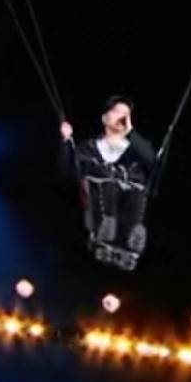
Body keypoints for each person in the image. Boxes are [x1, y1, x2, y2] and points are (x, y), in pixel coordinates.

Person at [59, 96, 158, 269]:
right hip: (99, 205)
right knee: (107, 185)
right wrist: (66, 142)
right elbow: (68, 171)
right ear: (104, 118)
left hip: (128, 206)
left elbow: (153, 162)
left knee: (136, 191)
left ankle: (131, 242)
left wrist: (130, 133)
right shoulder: (88, 149)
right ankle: (105, 229)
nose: (122, 117)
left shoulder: (136, 151)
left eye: (126, 114)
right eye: (117, 112)